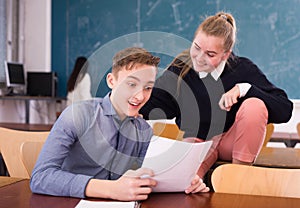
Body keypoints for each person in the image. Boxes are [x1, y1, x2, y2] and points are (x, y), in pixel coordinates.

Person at [30, 47, 209, 201]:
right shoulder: (78, 116)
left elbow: (142, 177)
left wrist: (185, 181)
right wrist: (111, 189)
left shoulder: (144, 131)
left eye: (148, 88)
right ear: (111, 81)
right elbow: (40, 177)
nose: (139, 96)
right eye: (131, 84)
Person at [140, 12, 293, 178]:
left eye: (210, 54)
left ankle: (239, 176)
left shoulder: (243, 69)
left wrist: (244, 89)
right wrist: (126, 100)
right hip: (199, 143)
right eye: (196, 48)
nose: (199, 58)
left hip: (232, 145)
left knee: (255, 105)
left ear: (225, 55)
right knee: (185, 180)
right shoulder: (181, 69)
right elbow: (158, 102)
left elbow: (285, 108)